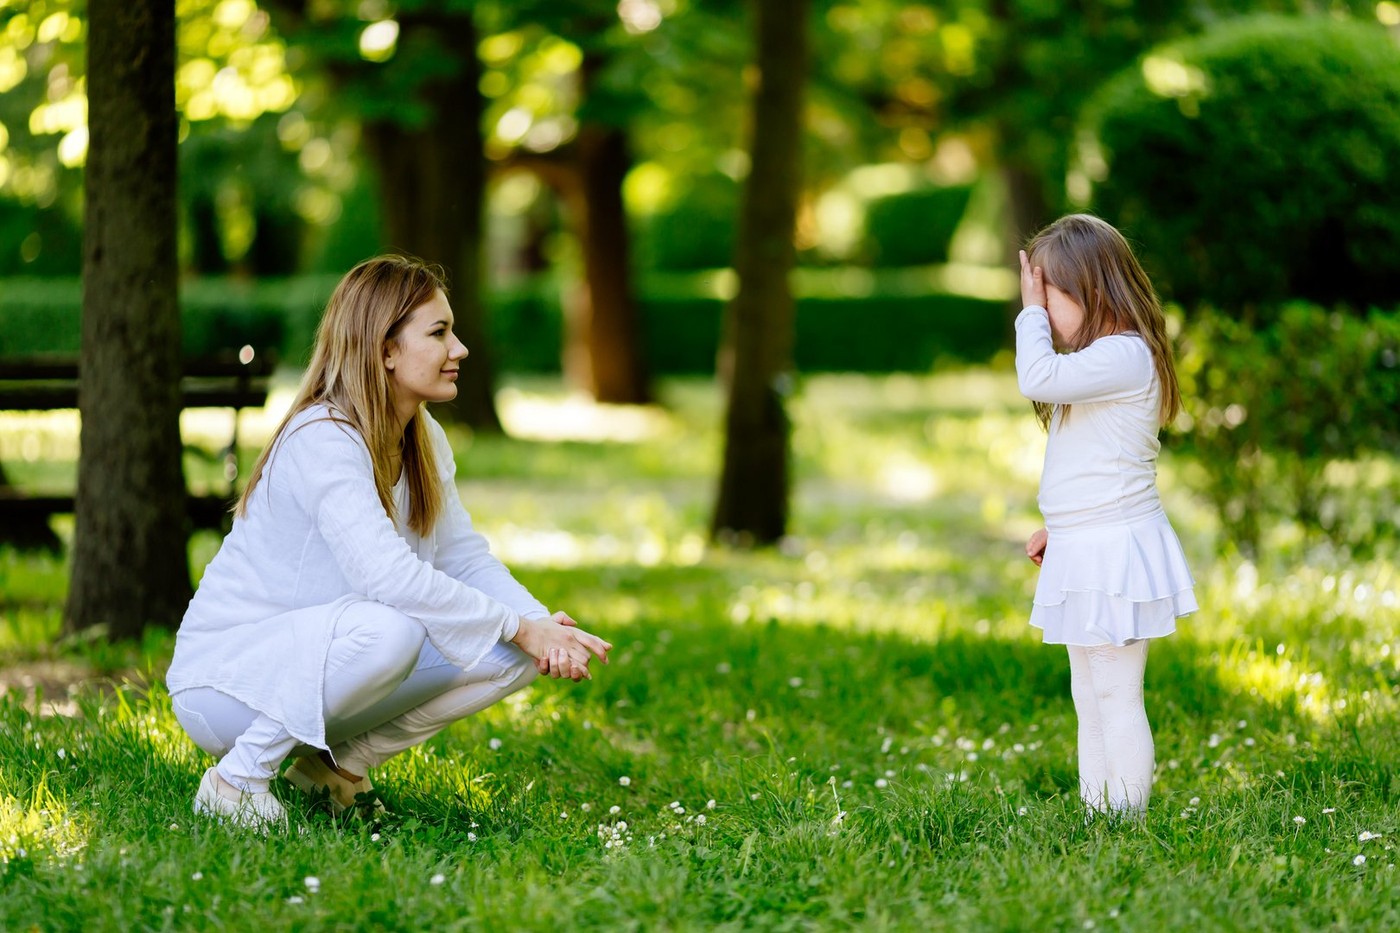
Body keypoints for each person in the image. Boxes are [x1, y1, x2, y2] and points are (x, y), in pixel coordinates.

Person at [166, 255, 611, 829]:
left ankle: (337, 767)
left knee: (513, 653)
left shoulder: (422, 436)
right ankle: (237, 779)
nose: (461, 349)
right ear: (385, 350)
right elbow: (388, 578)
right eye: (439, 332)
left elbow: (462, 557)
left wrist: (537, 626)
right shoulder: (322, 438)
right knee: (394, 629)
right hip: (224, 688)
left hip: (320, 666)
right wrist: (521, 625)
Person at [1014, 214, 1196, 817]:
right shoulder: (1101, 362)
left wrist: (1028, 314)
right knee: (1089, 695)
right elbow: (1088, 467)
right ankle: (1100, 816)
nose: (1043, 314)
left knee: (1117, 693)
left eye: (1051, 299)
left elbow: (1036, 374)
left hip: (1116, 551)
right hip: (1086, 546)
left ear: (1090, 291)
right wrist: (1058, 531)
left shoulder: (1125, 356)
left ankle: (1127, 820)